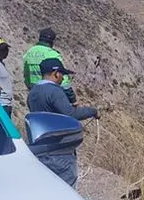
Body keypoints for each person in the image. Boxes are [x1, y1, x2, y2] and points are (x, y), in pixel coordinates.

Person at [26, 57, 99, 187]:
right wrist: (92, 111)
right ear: (56, 73)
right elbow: (70, 114)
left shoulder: (33, 92)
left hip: (39, 148)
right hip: (59, 149)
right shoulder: (55, 91)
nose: (63, 79)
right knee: (67, 187)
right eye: (62, 75)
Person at [23, 27, 77, 105]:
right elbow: (64, 81)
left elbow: (26, 75)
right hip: (50, 96)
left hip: (33, 95)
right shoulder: (52, 54)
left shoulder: (29, 53)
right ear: (52, 41)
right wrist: (72, 99)